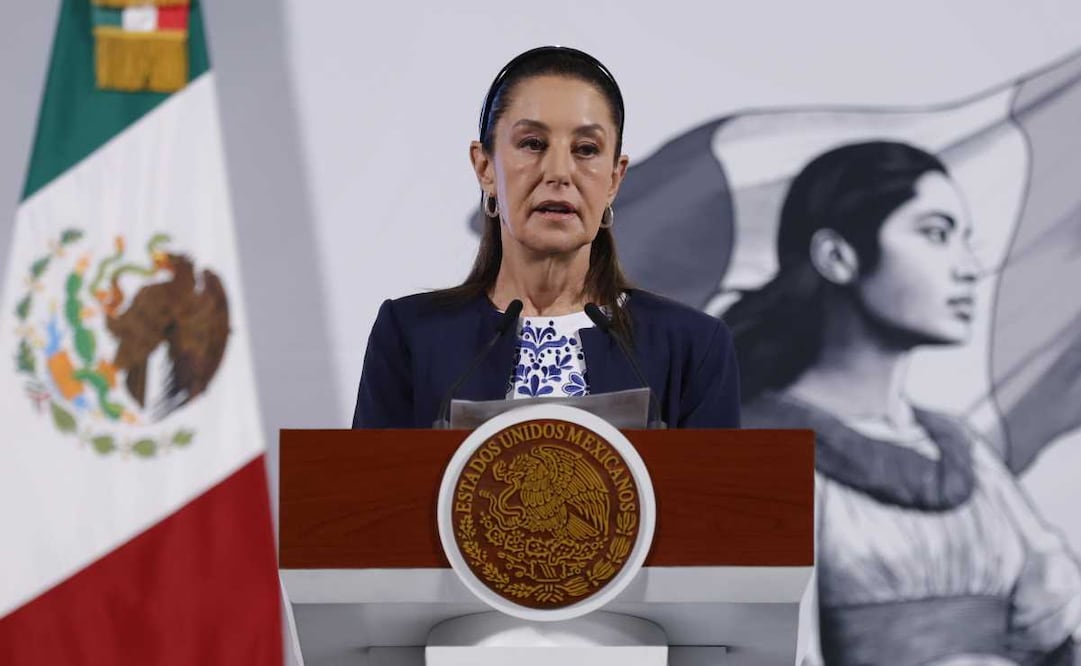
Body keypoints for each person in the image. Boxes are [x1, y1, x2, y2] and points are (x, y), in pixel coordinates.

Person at [727, 141, 1081, 665]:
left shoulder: (964, 451)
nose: (967, 267)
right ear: (837, 256)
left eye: (966, 240)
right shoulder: (750, 450)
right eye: (936, 234)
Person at [352, 46, 740, 429]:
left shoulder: (692, 347)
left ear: (615, 179)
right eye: (532, 144)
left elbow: (720, 492)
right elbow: (366, 489)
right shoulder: (410, 336)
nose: (559, 172)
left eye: (586, 149)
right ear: (485, 166)